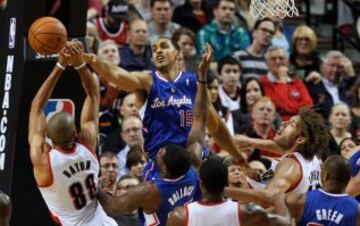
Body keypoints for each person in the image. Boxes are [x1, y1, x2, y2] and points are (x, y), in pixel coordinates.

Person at [84, 37, 247, 166]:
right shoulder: (147, 81)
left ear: (177, 54)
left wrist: (240, 159)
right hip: (161, 166)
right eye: (154, 49)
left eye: (163, 46)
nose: (158, 51)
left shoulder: (195, 84)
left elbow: (216, 127)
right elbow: (117, 75)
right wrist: (93, 60)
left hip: (193, 163)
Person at [97, 51, 211, 226]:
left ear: (163, 168)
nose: (158, 151)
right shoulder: (194, 169)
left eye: (160, 153)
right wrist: (202, 78)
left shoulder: (150, 190)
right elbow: (201, 118)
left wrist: (93, 186)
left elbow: (113, 207)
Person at [27, 42, 117, 226]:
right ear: (75, 132)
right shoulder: (88, 143)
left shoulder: (44, 161)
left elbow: (36, 106)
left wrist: (59, 66)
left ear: (49, 139)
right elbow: (93, 95)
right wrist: (79, 64)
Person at [233, 107, 329, 196]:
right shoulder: (310, 158)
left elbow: (266, 199)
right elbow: (279, 146)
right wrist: (248, 142)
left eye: (292, 124)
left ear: (300, 139)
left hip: (264, 210)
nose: (283, 123)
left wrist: (223, 191)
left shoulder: (290, 166)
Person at [167, 158, 292, 226]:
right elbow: (285, 222)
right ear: (225, 184)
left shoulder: (180, 215)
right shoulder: (247, 211)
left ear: (201, 184)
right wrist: (279, 199)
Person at [285, 155, 360, 226]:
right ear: (349, 179)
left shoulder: (300, 200)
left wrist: (277, 197)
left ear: (325, 175)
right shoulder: (357, 209)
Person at [260, 46, 313, 121]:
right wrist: (282, 81)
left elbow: (308, 106)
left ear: (287, 61)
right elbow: (277, 104)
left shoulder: (297, 82)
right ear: (267, 63)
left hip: (298, 124)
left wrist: (286, 108)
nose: (278, 61)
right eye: (273, 59)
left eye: (281, 58)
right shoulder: (263, 82)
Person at [306, 50, 356, 120]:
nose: (335, 70)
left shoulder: (347, 86)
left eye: (339, 67)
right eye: (332, 65)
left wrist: (352, 74)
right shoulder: (314, 86)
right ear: (323, 66)